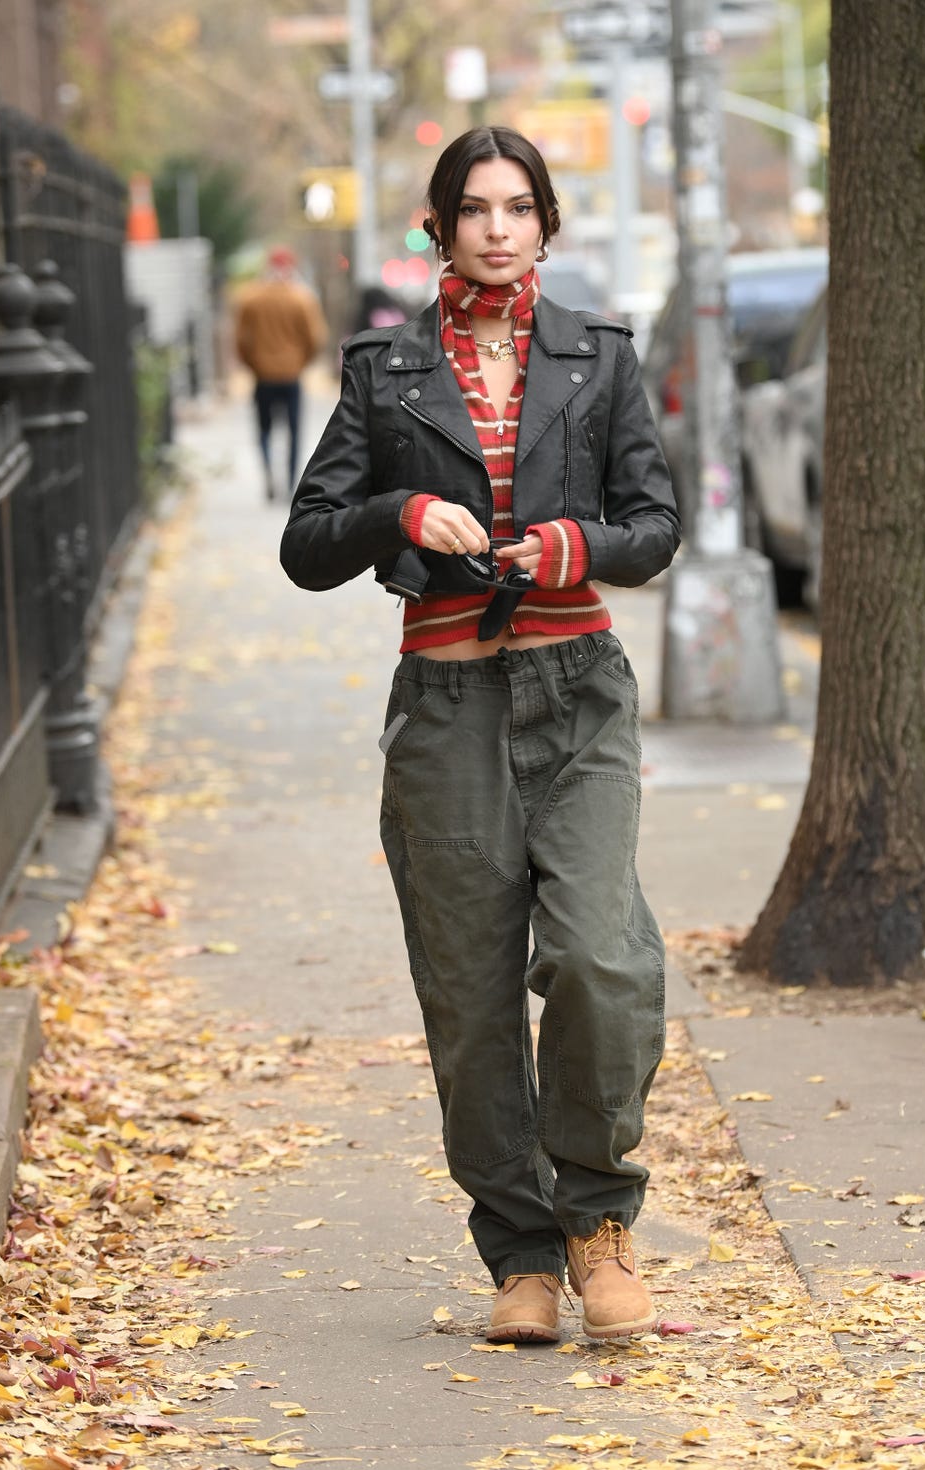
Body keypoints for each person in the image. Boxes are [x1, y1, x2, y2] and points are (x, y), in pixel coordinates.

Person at [280, 128, 680, 1345]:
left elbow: (652, 523)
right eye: (473, 209)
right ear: (440, 228)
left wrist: (570, 547)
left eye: (517, 208)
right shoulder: (384, 368)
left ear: (545, 226)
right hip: (445, 707)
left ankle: (599, 1222)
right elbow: (307, 542)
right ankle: (518, 1255)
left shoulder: (598, 360)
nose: (496, 228)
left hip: (578, 696)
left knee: (603, 961)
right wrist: (399, 509)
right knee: (467, 999)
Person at [235, 245, 328, 500]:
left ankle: (268, 477)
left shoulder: (251, 298)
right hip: (291, 376)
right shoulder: (302, 299)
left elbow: (241, 341)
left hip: (262, 376)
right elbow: (315, 338)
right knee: (294, 432)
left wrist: (253, 364)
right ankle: (289, 485)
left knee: (264, 430)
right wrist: (300, 362)